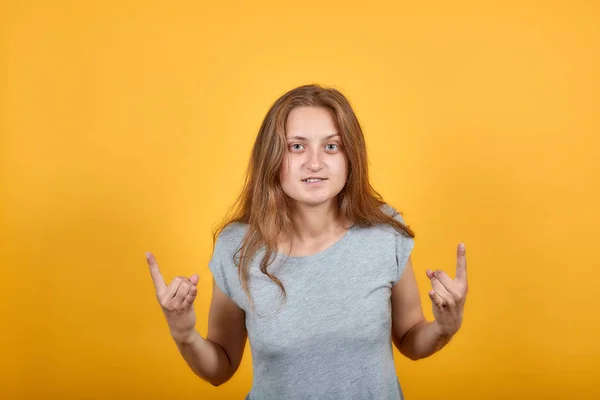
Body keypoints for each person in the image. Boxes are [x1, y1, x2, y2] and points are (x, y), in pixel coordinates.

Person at [146, 84, 468, 399]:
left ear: (350, 157)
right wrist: (184, 334)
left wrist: (444, 327)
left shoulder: (384, 233)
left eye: (331, 146)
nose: (315, 163)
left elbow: (410, 338)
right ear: (272, 157)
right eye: (296, 147)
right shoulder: (237, 249)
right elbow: (221, 367)